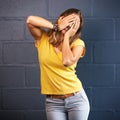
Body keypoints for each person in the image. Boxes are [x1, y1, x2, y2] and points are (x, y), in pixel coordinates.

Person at [26, 8, 90, 120]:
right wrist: (56, 26)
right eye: (70, 21)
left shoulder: (78, 44)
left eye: (75, 23)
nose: (71, 25)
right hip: (53, 102)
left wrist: (66, 36)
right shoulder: (44, 39)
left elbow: (66, 61)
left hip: (76, 100)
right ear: (61, 19)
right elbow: (30, 20)